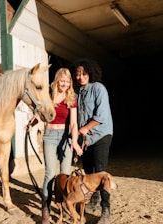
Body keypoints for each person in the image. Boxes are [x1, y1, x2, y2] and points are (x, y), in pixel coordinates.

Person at [70, 59, 113, 224]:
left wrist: (85, 128)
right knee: (88, 173)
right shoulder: (77, 92)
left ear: (90, 73)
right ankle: (93, 201)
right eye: (78, 74)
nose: (80, 77)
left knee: (101, 172)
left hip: (101, 134)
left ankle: (106, 210)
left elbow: (101, 116)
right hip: (85, 138)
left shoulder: (98, 89)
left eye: (84, 73)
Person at [41, 68, 83, 224]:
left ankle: (65, 207)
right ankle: (45, 208)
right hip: (50, 137)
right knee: (50, 174)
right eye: (62, 81)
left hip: (65, 137)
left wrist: (75, 140)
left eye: (67, 81)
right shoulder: (49, 96)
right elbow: (42, 113)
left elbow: (73, 123)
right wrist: (32, 122)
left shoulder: (71, 98)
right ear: (56, 80)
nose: (64, 84)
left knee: (65, 175)